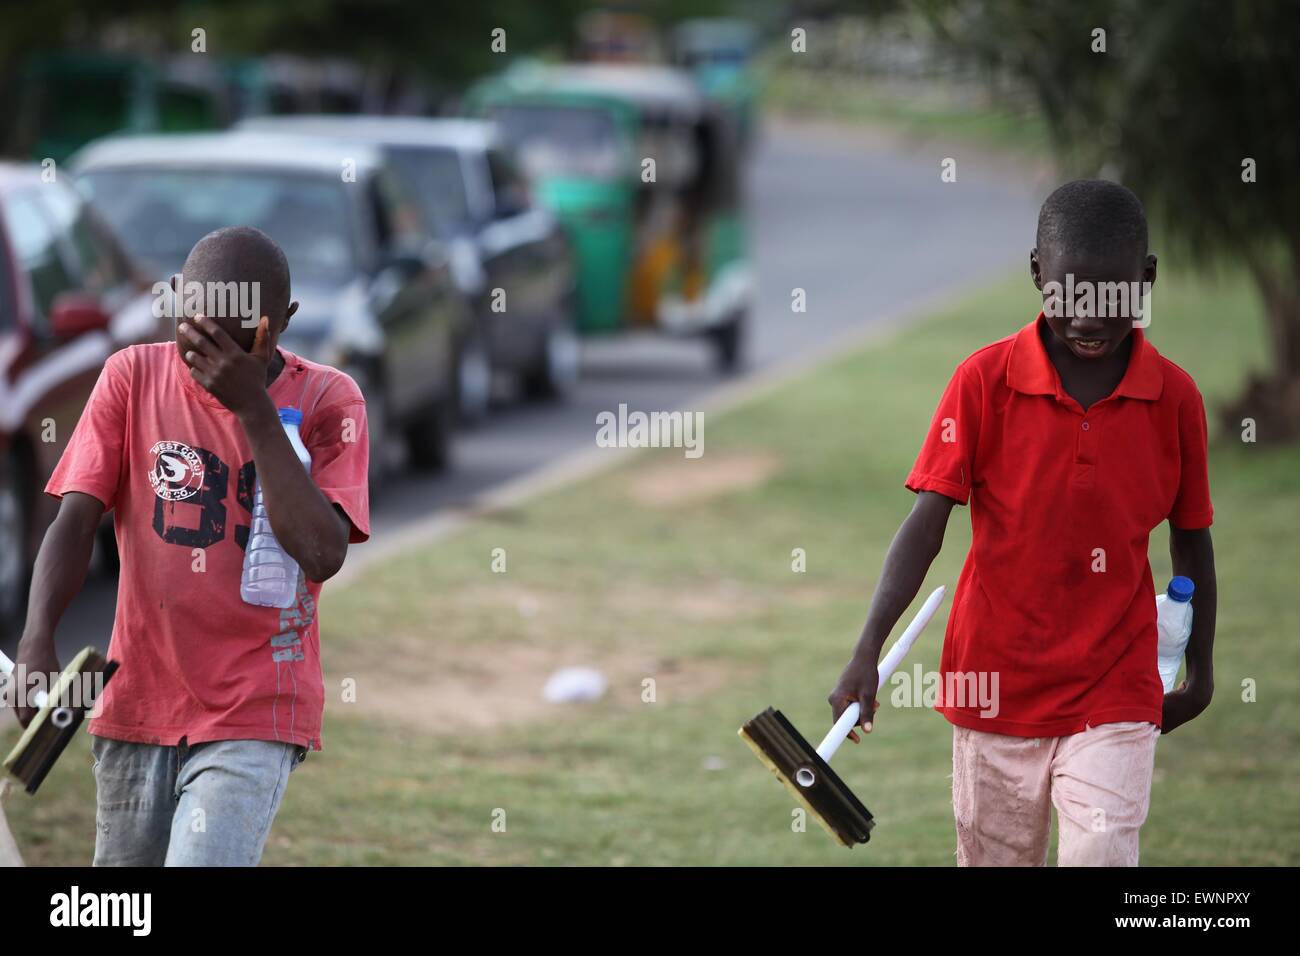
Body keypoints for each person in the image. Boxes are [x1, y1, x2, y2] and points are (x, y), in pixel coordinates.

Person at [828, 180, 1217, 866]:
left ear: (1146, 278)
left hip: (1117, 680)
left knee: (1101, 848)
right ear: (1038, 274)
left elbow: (1192, 538)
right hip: (995, 688)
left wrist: (1201, 670)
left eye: (1113, 294)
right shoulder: (983, 381)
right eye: (1069, 292)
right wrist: (868, 649)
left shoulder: (1175, 398)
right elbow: (926, 525)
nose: (1090, 316)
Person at [15, 226, 370, 866]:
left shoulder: (327, 400)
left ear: (280, 325)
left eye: (229, 344)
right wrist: (39, 635)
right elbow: (74, 519)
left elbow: (323, 553)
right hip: (137, 702)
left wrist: (254, 408)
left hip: (252, 711)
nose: (203, 361)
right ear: (177, 300)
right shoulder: (131, 376)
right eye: (193, 332)